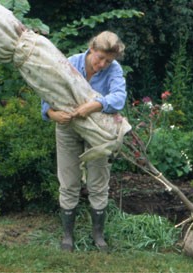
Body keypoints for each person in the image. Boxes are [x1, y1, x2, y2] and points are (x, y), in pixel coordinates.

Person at [41, 31, 126, 252]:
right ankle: (67, 236)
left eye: (108, 61)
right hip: (67, 128)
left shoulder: (114, 70)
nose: (102, 64)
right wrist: (52, 114)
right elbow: (48, 91)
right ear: (91, 50)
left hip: (97, 131)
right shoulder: (70, 63)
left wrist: (95, 105)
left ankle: (98, 235)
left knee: (98, 182)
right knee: (69, 181)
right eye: (100, 58)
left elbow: (119, 97)